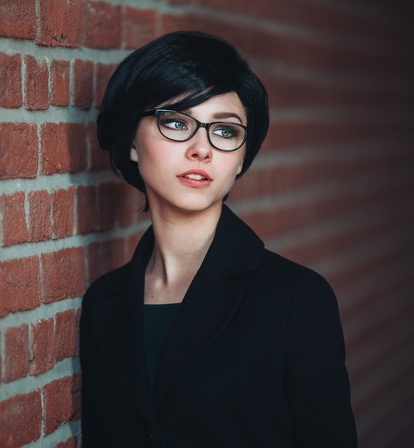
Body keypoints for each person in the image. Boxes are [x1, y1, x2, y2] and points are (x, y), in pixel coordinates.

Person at [80, 31, 357, 447]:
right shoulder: (105, 303)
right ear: (132, 143)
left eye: (225, 132)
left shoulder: (295, 299)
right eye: (176, 122)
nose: (201, 149)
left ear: (241, 157)